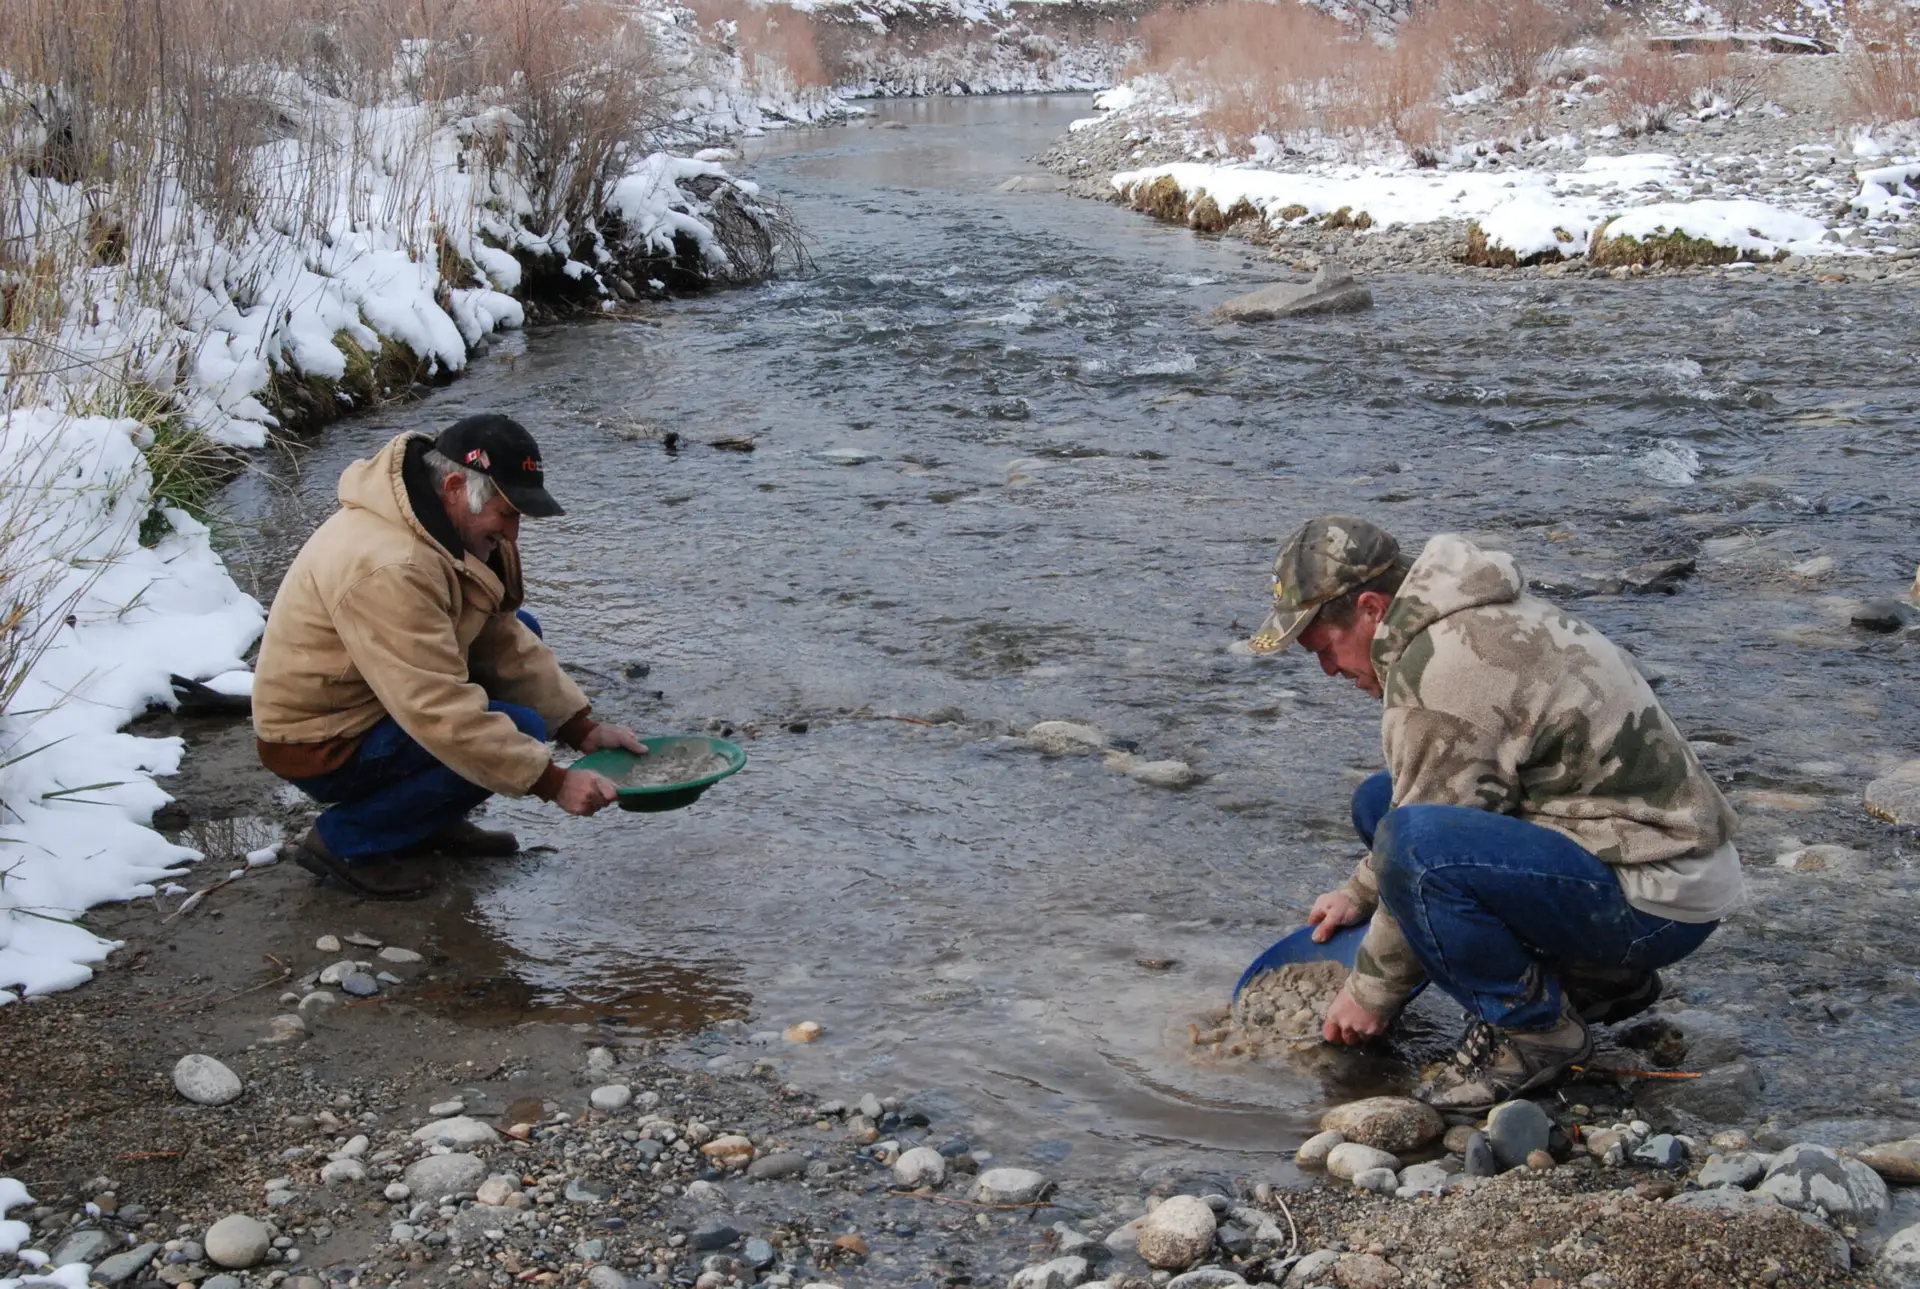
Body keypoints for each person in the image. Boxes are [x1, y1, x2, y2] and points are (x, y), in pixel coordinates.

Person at [1247, 516, 1742, 1109]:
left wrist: (1369, 993)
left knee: (1411, 843)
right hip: (1654, 860)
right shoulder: (1463, 614)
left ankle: (1534, 1032)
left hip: (1658, 900)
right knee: (1381, 802)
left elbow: (1420, 849)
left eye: (1323, 648)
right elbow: (1432, 798)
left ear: (1372, 609)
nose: (1327, 670)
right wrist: (1358, 894)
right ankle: (1601, 982)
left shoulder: (1444, 668)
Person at [252, 414, 643, 898]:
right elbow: (433, 706)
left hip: (370, 700)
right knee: (520, 728)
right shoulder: (391, 565)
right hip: (319, 741)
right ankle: (346, 842)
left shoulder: (443, 524)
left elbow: (502, 640)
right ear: (456, 486)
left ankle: (425, 820)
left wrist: (580, 728)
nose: (514, 534)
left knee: (523, 630)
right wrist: (551, 781)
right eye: (508, 514)